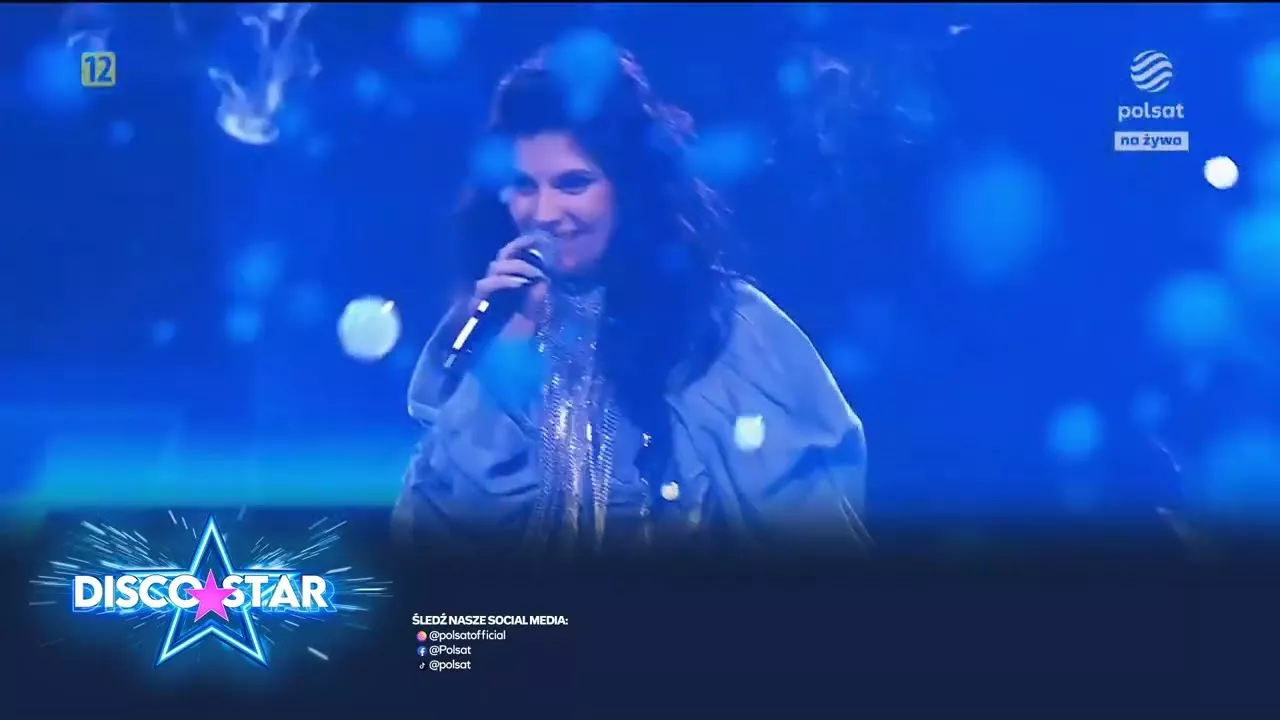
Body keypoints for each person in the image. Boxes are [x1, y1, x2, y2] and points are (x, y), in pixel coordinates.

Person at [393, 44, 871, 556]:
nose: (545, 213)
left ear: (630, 187)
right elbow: (437, 534)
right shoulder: (492, 325)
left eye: (573, 183)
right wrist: (507, 353)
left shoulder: (731, 333)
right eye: (525, 186)